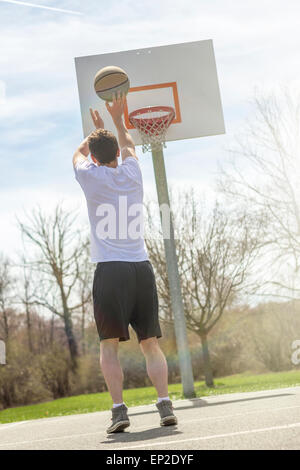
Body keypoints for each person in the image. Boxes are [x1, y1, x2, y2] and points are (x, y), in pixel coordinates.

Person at [73, 94, 177, 433]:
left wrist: (93, 135)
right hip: (140, 267)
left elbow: (76, 155)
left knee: (109, 347)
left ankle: (119, 411)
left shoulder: (91, 177)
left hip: (110, 271)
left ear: (96, 156)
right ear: (117, 153)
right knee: (150, 343)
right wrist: (117, 122)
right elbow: (130, 143)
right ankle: (164, 406)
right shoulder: (133, 173)